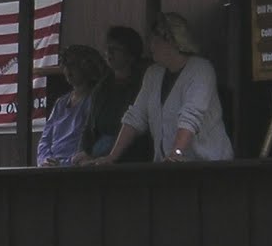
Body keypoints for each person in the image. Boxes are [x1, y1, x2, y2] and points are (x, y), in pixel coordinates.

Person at [92, 13, 233, 165]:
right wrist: (111, 157)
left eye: (155, 40)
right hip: (169, 167)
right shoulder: (153, 74)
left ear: (172, 41)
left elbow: (191, 115)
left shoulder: (201, 70)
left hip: (210, 166)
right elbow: (136, 116)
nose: (150, 46)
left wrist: (176, 152)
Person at [73, 25, 151, 164]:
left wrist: (99, 156)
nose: (109, 53)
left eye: (115, 49)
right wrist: (83, 152)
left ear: (130, 55)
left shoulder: (142, 83)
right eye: (107, 48)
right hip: (98, 152)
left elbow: (134, 129)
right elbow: (89, 128)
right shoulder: (102, 87)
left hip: (130, 156)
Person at [37, 44, 106, 166]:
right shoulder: (61, 103)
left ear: (86, 67)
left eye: (73, 65)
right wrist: (45, 160)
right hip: (51, 166)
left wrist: (64, 164)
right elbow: (45, 140)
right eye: (66, 65)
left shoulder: (94, 100)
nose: (68, 70)